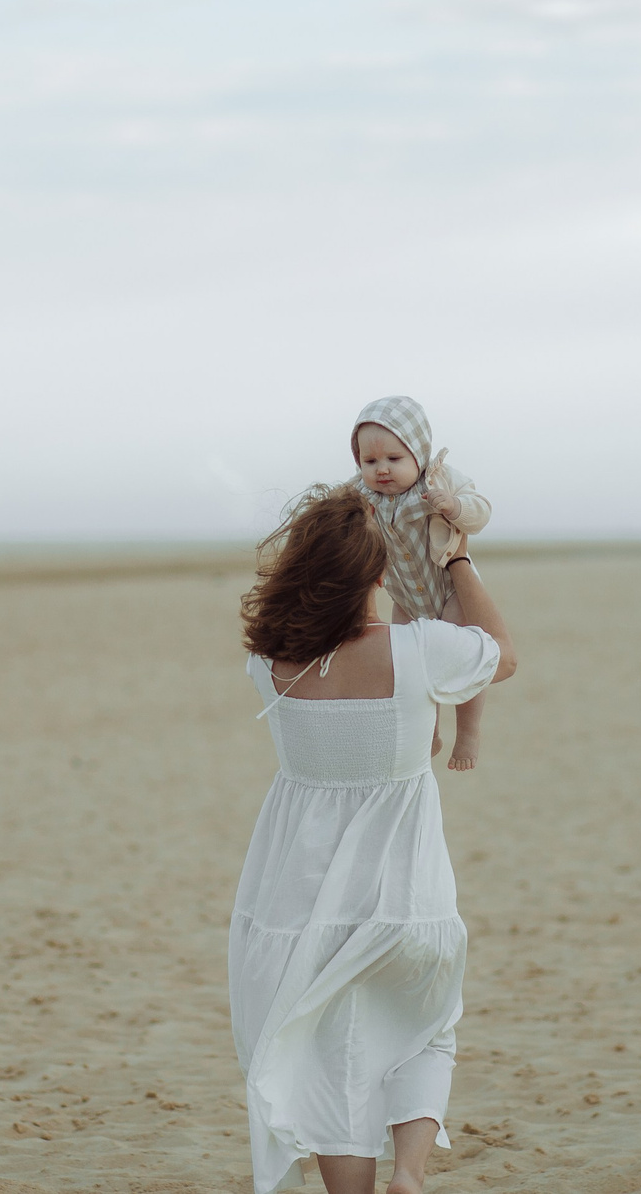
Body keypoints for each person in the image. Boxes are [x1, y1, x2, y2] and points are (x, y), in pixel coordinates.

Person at [229, 484, 519, 1194]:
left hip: (300, 905)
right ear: (377, 574)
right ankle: (410, 1173)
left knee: (330, 1067)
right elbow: (500, 653)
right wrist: (456, 558)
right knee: (425, 1029)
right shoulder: (419, 651)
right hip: (406, 893)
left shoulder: (268, 663)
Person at [350, 397, 494, 769]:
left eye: (393, 459)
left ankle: (469, 733)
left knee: (466, 659)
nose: (381, 470)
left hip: (450, 589)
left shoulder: (441, 481)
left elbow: (481, 513)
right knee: (407, 665)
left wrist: (454, 507)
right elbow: (337, 513)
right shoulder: (363, 495)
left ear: (419, 452)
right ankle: (428, 729)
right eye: (369, 461)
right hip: (404, 598)